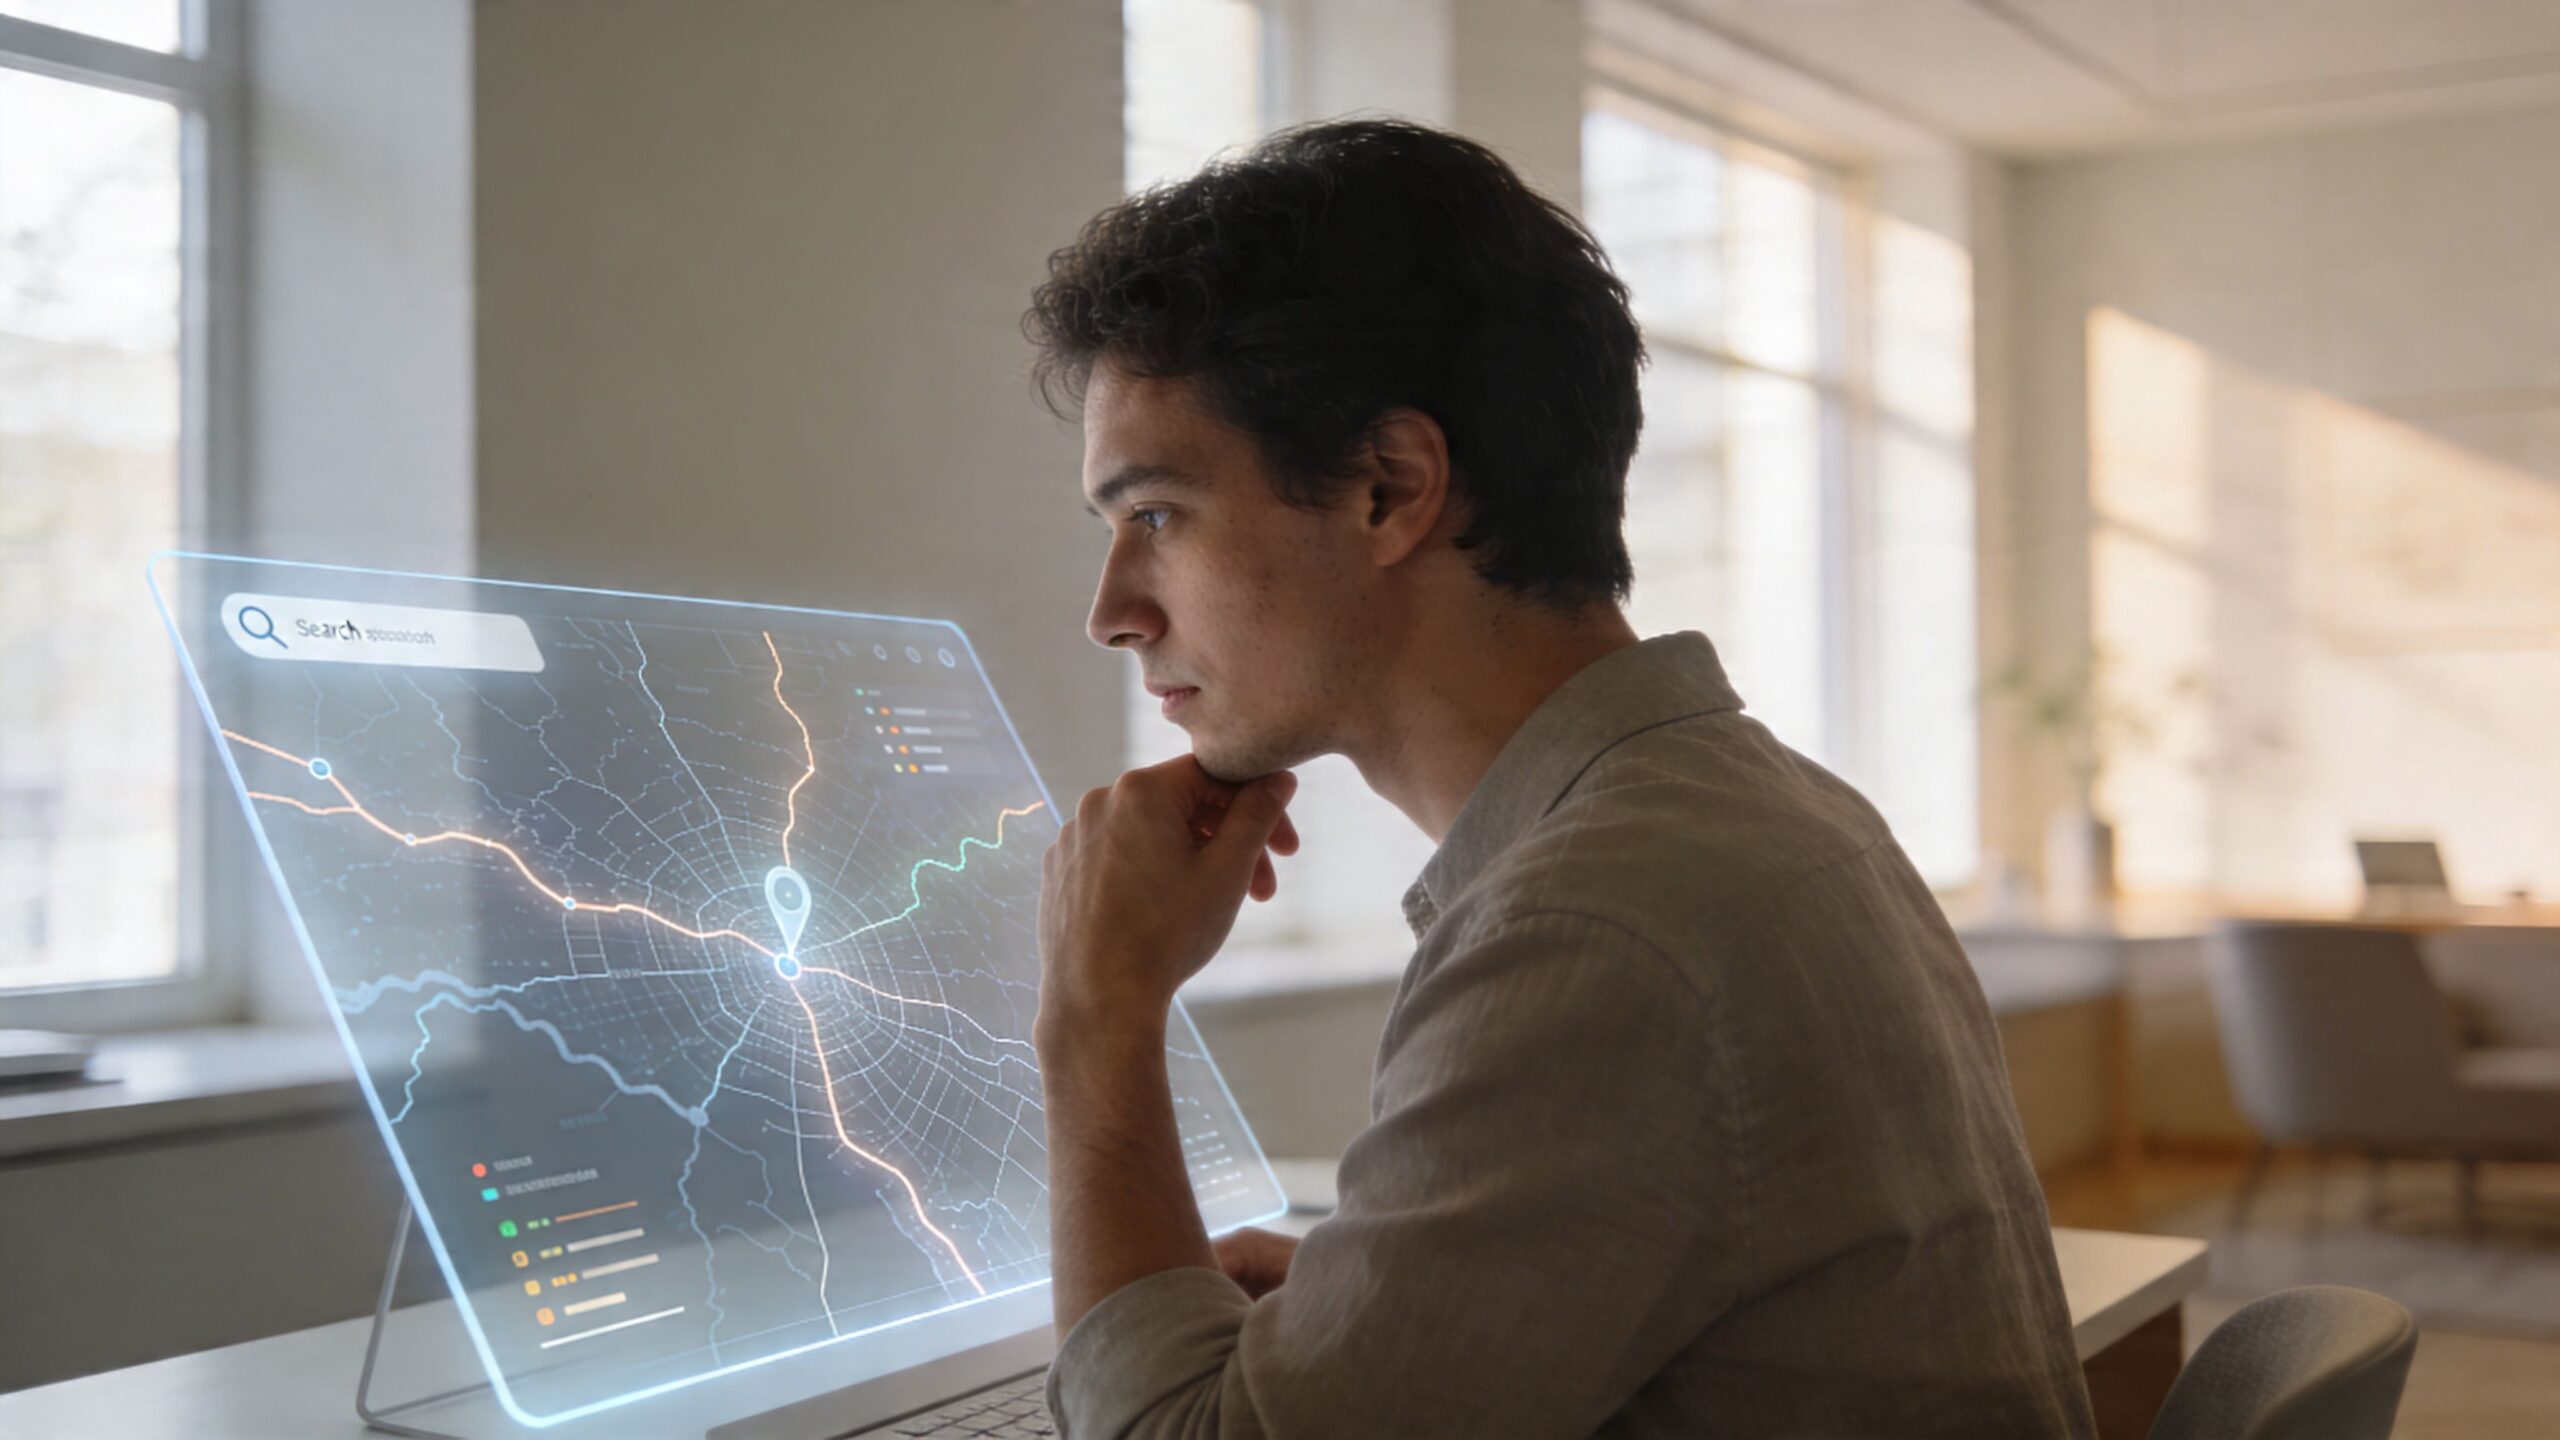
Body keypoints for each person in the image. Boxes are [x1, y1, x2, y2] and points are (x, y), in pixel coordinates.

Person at [1022, 118, 2094, 1438]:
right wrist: (1404, 1316)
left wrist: (1096, 1015)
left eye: (1157, 516)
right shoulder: (1762, 811)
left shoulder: (1594, 927)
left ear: (1389, 486)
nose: (1113, 610)